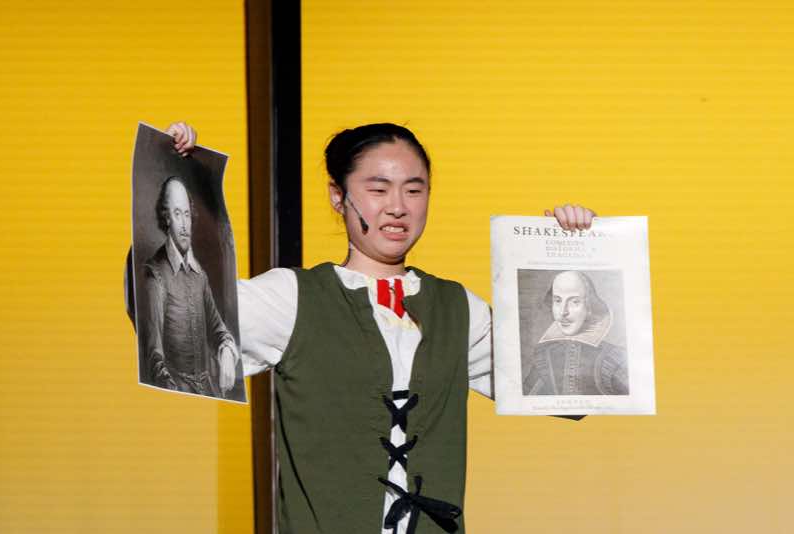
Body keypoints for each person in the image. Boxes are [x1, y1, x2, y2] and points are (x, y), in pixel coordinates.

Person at [163, 121, 597, 533]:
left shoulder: (457, 307)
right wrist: (178, 176)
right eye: (378, 189)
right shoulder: (292, 298)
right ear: (338, 196)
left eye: (414, 189)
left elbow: (570, 392)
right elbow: (174, 321)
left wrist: (573, 255)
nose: (398, 206)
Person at [141, 175, 239, 398]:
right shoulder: (155, 274)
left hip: (208, 390)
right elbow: (154, 357)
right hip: (176, 394)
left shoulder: (199, 275)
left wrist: (226, 350)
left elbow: (218, 329)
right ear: (166, 218)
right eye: (177, 214)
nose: (185, 225)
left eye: (187, 214)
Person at [522, 270, 628, 396]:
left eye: (574, 302)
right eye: (558, 301)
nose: (563, 312)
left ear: (589, 307)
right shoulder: (544, 355)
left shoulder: (612, 358)